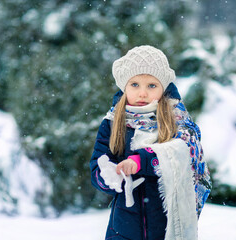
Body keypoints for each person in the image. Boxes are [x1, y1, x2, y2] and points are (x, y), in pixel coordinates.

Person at [90, 45, 211, 240]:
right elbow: (98, 165)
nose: (142, 93)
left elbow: (182, 151)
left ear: (163, 88)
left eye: (151, 85)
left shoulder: (175, 120)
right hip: (123, 228)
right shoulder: (113, 122)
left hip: (165, 226)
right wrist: (107, 176)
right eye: (135, 84)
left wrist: (140, 161)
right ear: (124, 86)